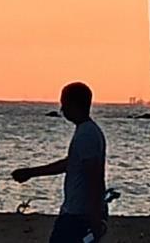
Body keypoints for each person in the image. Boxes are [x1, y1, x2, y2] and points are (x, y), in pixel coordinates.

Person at [10, 82, 106, 243]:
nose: (62, 109)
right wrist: (31, 172)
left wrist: (95, 215)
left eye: (64, 104)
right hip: (75, 211)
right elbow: (70, 164)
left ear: (74, 104)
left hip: (79, 214)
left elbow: (94, 176)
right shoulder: (85, 131)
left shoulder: (87, 134)